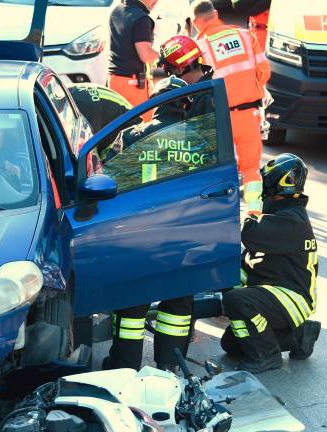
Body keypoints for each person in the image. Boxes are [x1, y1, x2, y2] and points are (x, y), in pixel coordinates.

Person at [102, 77, 195, 373]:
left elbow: (107, 178)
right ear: (184, 105)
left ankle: (124, 366)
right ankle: (169, 365)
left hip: (139, 233)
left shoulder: (132, 135)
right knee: (178, 304)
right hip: (181, 233)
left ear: (154, 105)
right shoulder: (200, 139)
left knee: (130, 306)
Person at [220, 153, 321, 374]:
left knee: (237, 300)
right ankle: (299, 336)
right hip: (276, 290)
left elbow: (249, 234)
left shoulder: (291, 220)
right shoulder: (282, 216)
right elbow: (252, 261)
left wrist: (253, 205)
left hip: (292, 296)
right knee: (232, 344)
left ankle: (268, 356)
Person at [191, 0, 271, 216]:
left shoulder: (200, 47)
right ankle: (254, 212)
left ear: (196, 22)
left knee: (218, 167)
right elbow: (264, 71)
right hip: (248, 114)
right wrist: (250, 87)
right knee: (251, 167)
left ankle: (222, 215)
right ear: (216, 13)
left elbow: (196, 87)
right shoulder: (245, 36)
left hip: (220, 118)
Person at [107, 0, 159, 112]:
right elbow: (145, 55)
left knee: (119, 125)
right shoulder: (142, 19)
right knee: (143, 126)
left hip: (114, 81)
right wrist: (162, 56)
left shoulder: (116, 10)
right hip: (133, 85)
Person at [67, 82, 133, 133]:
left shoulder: (84, 109)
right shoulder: (69, 91)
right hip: (128, 114)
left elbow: (90, 143)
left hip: (130, 127)